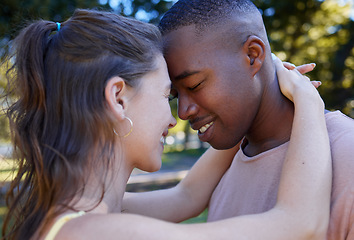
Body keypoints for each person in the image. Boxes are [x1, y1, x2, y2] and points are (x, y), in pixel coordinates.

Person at [1, 8, 331, 240]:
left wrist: (256, 85)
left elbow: (186, 197)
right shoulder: (93, 232)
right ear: (118, 98)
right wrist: (308, 102)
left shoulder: (80, 213)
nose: (175, 118)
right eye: (166, 94)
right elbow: (303, 226)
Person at [123, 1, 354, 239]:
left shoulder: (347, 153)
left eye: (194, 85)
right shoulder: (227, 157)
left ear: (253, 56)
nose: (182, 112)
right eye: (175, 95)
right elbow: (184, 196)